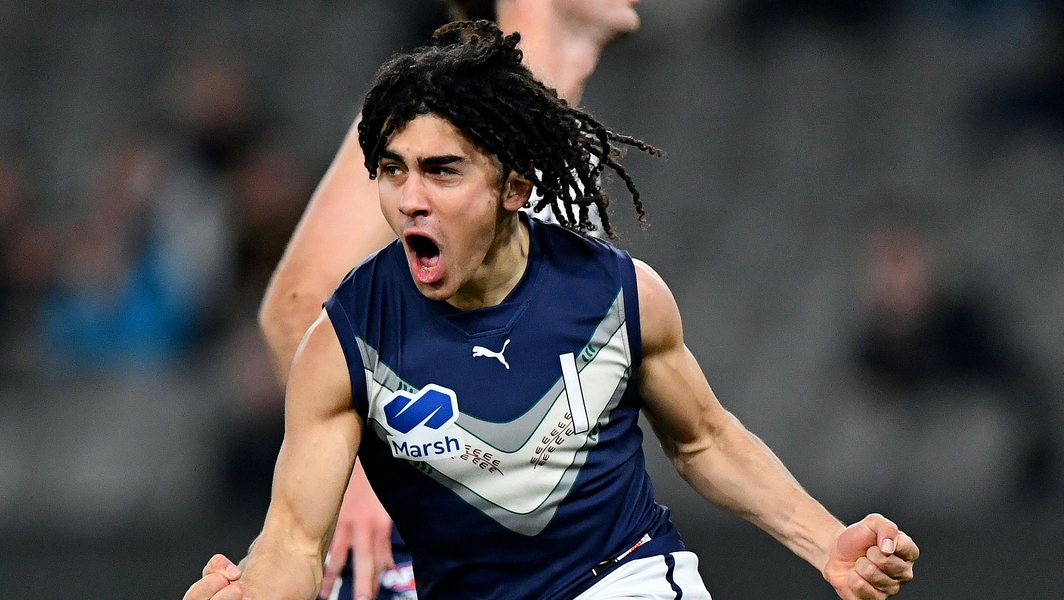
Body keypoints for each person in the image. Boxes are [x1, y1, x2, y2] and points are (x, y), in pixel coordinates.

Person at [185, 21, 918, 600]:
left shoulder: (617, 295)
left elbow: (704, 442)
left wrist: (827, 542)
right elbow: (293, 541)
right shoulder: (346, 340)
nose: (410, 198)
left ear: (514, 189)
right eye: (393, 171)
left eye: (442, 171)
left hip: (624, 579)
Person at [257, 2, 643, 598]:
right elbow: (297, 301)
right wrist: (357, 485)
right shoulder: (444, 110)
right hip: (416, 549)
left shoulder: (531, 112)